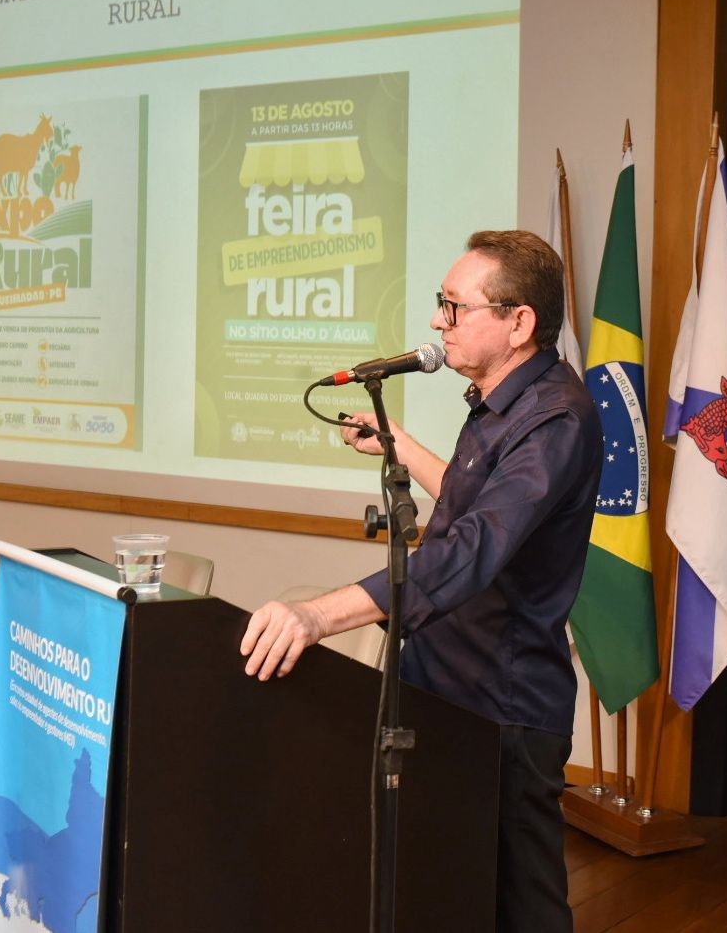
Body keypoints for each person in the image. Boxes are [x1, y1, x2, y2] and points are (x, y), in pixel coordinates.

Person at [240, 230, 603, 933]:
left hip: (501, 706)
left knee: (522, 907)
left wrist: (318, 616)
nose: (438, 321)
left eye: (454, 306)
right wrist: (400, 446)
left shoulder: (557, 417)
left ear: (519, 323)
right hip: (440, 685)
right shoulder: (499, 401)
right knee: (441, 888)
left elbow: (475, 546)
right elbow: (474, 502)